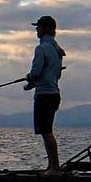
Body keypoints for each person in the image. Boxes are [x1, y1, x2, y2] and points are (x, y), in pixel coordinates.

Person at [23, 15, 66, 172]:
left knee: (46, 132)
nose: (36, 30)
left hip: (44, 96)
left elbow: (36, 72)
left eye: (39, 27)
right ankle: (52, 166)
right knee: (47, 131)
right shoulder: (56, 50)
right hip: (54, 94)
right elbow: (55, 75)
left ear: (46, 29)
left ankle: (54, 168)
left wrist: (30, 78)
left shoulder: (41, 49)